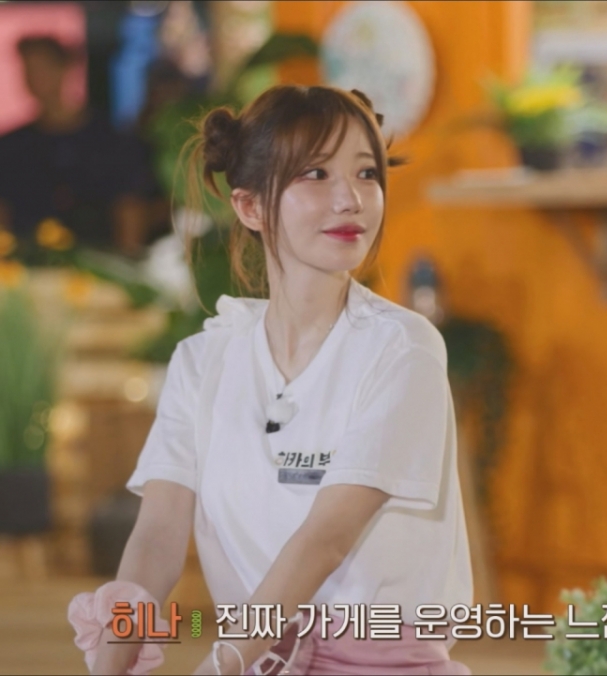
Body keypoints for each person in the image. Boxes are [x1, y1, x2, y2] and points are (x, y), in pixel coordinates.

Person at [67, 85, 473, 675]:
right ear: (250, 207)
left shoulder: (402, 349)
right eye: (316, 174)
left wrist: (222, 665)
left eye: (366, 173)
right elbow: (157, 538)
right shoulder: (202, 361)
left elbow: (325, 539)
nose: (351, 199)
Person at [0, 36, 156, 256]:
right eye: (30, 69)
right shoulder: (12, 146)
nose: (36, 77)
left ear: (64, 68)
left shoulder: (109, 139)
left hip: (99, 259)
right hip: (31, 263)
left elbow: (130, 204)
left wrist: (127, 260)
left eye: (43, 67)